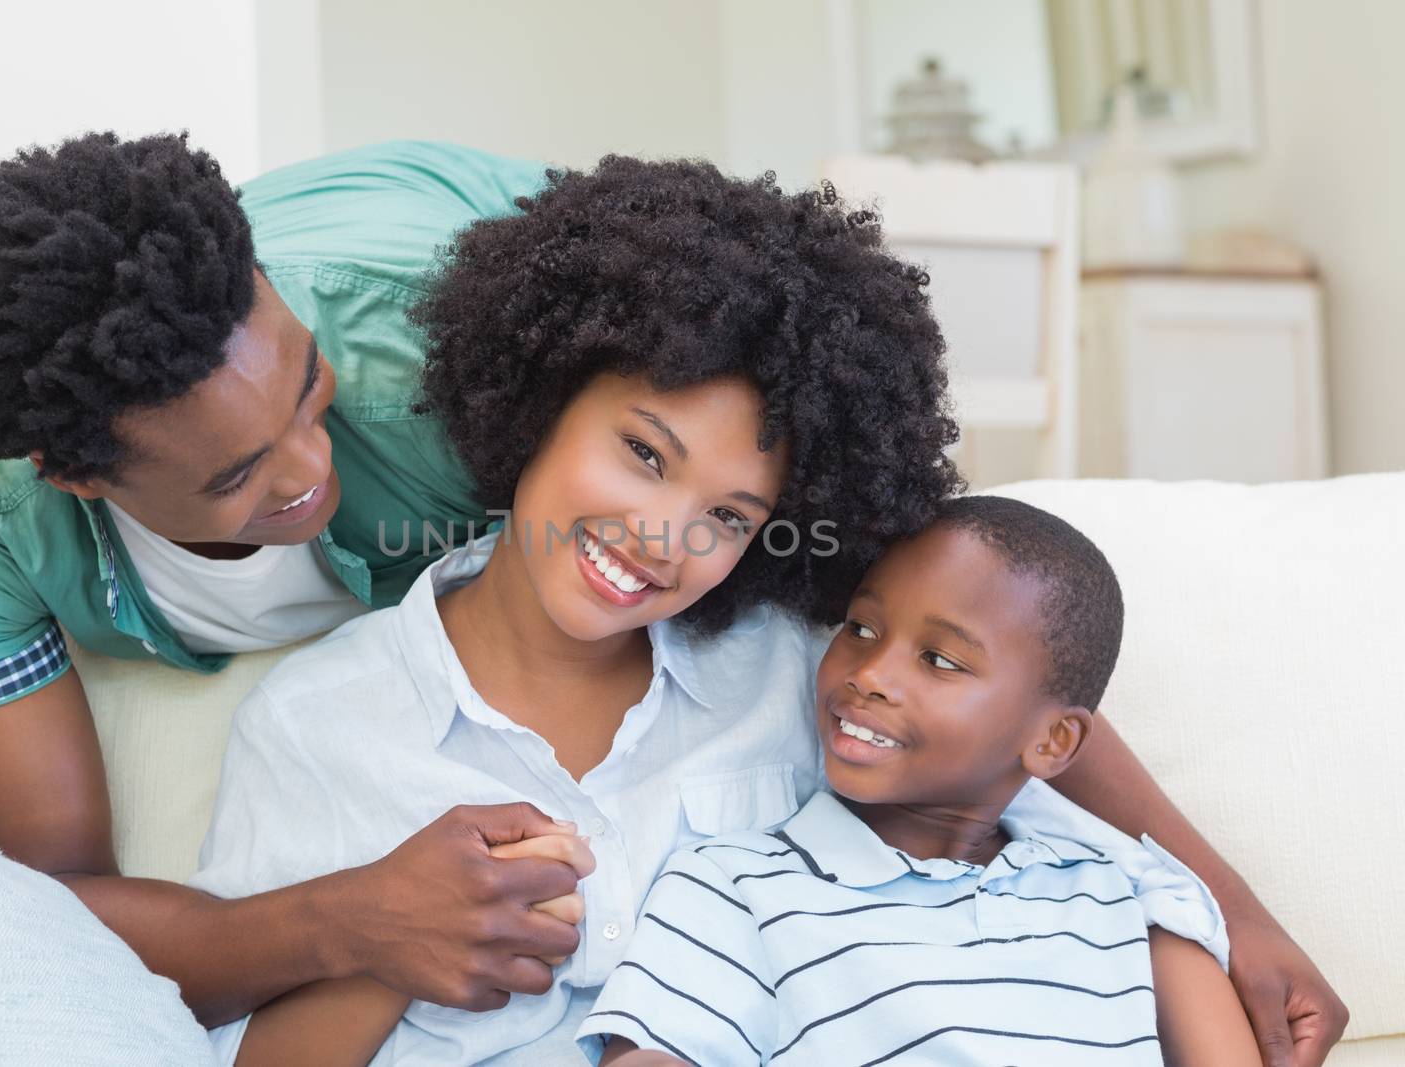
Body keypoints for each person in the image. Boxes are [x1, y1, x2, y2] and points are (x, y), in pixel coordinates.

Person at [187, 161, 1313, 1066]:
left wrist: (1240, 915)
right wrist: (389, 943)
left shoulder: (802, 677)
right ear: (537, 397)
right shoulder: (320, 721)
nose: (661, 537)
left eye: (727, 513)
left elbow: (1032, 766)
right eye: (641, 452)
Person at [0, 134, 590, 1026]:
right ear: (74, 477)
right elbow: (42, 914)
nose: (309, 471)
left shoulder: (443, 354)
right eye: (236, 477)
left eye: (308, 393)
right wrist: (350, 922)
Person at [583, 496, 1262, 1067]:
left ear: (1053, 741)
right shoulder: (733, 885)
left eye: (938, 658)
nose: (869, 672)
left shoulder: (1120, 891)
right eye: (860, 627)